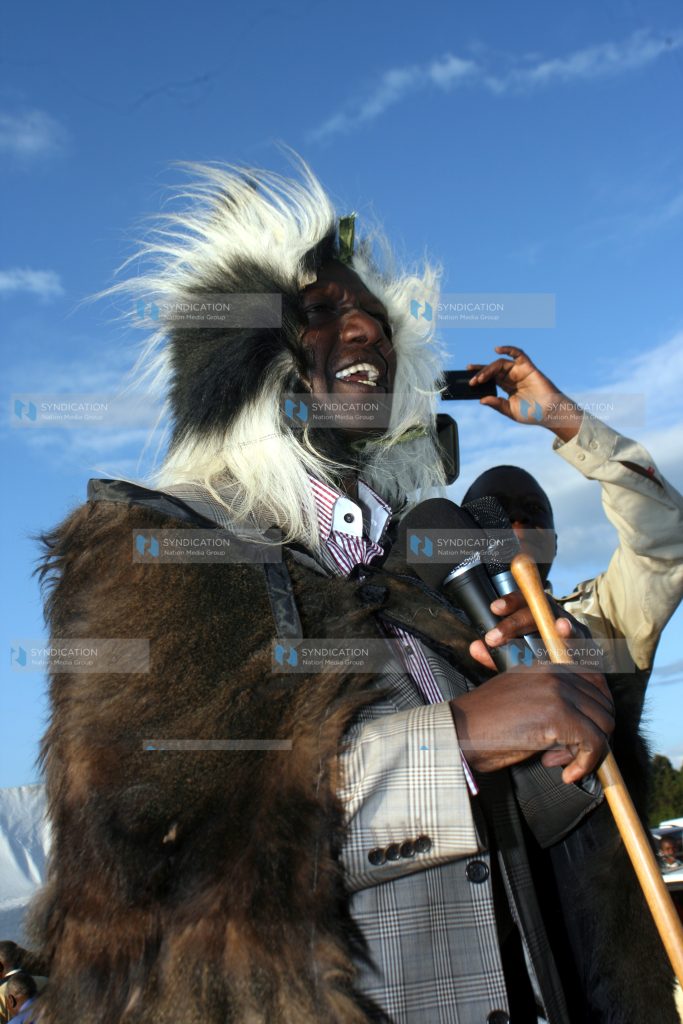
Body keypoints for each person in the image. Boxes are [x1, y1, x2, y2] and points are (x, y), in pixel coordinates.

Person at [30, 161, 677, 1023]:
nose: (367, 325)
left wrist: (535, 689)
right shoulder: (162, 549)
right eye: (325, 311)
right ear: (245, 351)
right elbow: (142, 836)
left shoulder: (413, 577)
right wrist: (456, 738)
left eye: (371, 311)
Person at [461, 345, 683, 694]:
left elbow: (666, 539)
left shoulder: (607, 617)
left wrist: (560, 415)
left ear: (555, 539)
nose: (518, 518)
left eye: (533, 511)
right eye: (498, 510)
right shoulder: (425, 626)